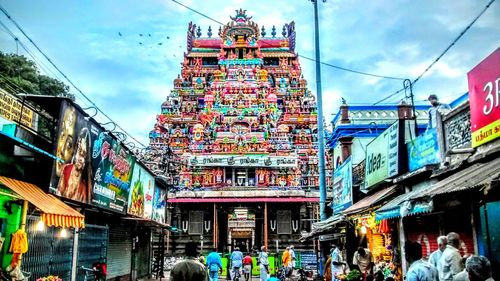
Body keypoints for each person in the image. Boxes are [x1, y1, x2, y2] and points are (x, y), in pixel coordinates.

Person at [57, 127, 92, 204]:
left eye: (84, 156)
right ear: (75, 154)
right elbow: (59, 192)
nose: (80, 159)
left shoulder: (85, 180)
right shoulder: (67, 169)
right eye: (79, 154)